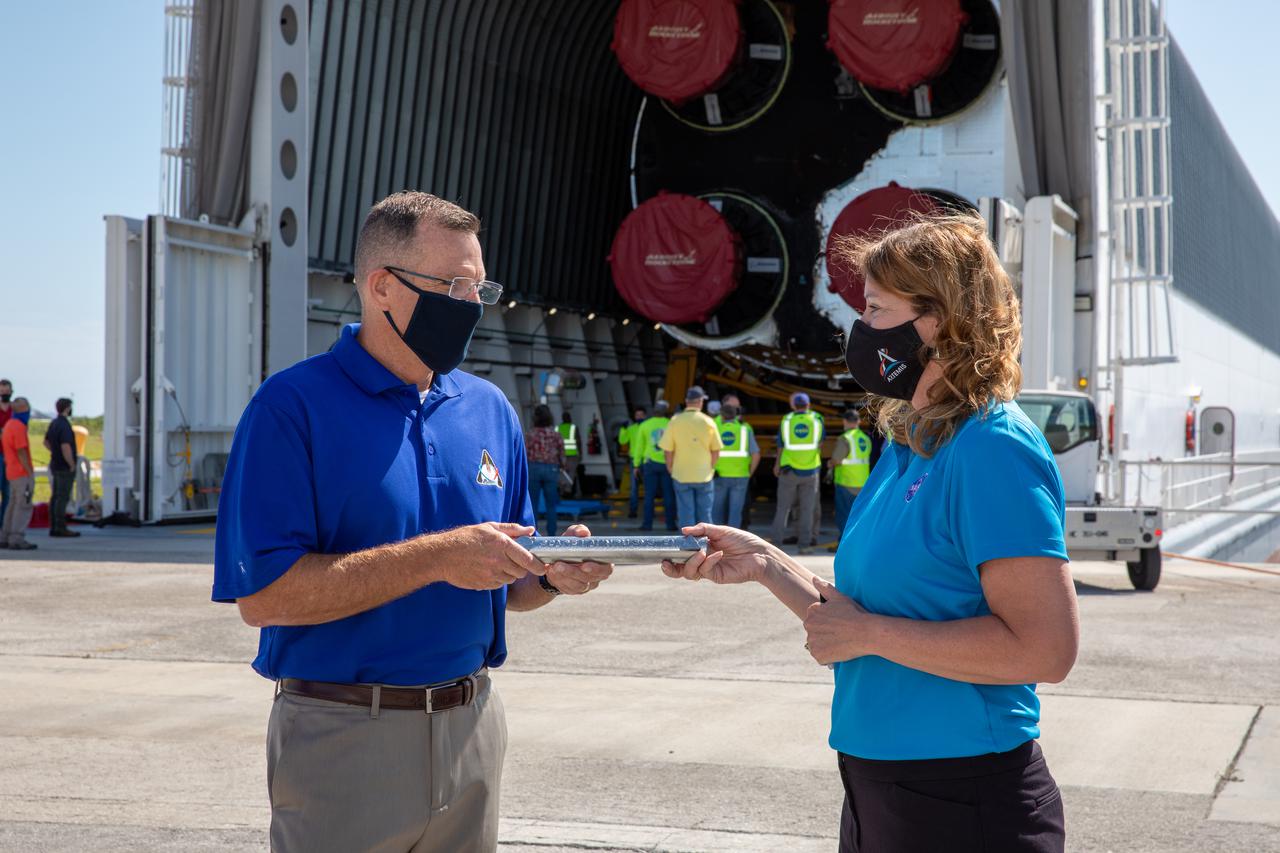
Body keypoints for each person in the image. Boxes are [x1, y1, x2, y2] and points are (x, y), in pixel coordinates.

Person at [212, 191, 615, 853]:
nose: (469, 302)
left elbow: (509, 583)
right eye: (450, 284)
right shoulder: (291, 408)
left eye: (477, 285)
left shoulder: (490, 411)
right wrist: (435, 558)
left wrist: (551, 577)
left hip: (471, 731)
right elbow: (264, 596)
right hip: (342, 736)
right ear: (382, 287)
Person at [663, 212, 1077, 853]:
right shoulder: (910, 442)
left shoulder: (992, 448)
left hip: (963, 795)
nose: (861, 329)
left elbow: (1044, 650)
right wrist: (767, 563)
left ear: (936, 322)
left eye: (877, 308)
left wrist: (871, 633)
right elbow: (855, 624)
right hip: (877, 783)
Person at [658, 386, 723, 529]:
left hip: (681, 474)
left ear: (687, 401)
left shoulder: (675, 421)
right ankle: (706, 544)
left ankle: (687, 547)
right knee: (705, 514)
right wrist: (710, 468)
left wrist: (670, 468)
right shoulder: (708, 422)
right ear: (700, 401)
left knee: (685, 512)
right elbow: (716, 451)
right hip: (704, 475)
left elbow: (668, 450)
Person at [769, 392, 824, 553]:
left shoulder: (787, 420)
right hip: (811, 470)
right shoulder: (817, 420)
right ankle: (804, 545)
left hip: (789, 470)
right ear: (808, 405)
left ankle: (776, 543)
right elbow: (820, 443)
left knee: (783, 508)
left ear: (794, 405)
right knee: (807, 509)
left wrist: (777, 464)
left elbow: (781, 444)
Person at [711, 403, 760, 528]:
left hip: (719, 475)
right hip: (741, 475)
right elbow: (756, 454)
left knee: (716, 510)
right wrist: (749, 472)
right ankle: (733, 542)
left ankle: (715, 540)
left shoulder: (715, 429)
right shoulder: (745, 429)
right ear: (736, 415)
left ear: (721, 416)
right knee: (736, 511)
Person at [827, 408, 870, 541]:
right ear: (859, 421)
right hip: (862, 482)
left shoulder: (845, 438)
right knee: (859, 514)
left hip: (846, 482)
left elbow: (837, 459)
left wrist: (830, 463)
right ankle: (858, 541)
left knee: (844, 515)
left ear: (844, 421)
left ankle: (844, 543)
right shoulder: (865, 438)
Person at [633, 400, 675, 531]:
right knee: (668, 495)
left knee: (649, 495)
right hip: (667, 464)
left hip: (650, 464)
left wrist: (636, 465)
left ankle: (647, 524)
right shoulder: (671, 425)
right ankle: (671, 525)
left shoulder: (645, 425)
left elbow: (639, 447)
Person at [525, 404, 566, 536]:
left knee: (533, 505)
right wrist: (562, 465)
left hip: (534, 468)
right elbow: (561, 453)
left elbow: (524, 452)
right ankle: (552, 534)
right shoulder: (555, 434)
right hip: (551, 469)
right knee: (551, 504)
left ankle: (533, 534)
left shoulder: (530, 434)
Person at [1, 397, 36, 550]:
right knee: (23, 505)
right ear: (23, 409)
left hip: (11, 471)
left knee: (12, 505)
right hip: (21, 473)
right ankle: (17, 537)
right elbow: (21, 450)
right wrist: (29, 471)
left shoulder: (8, 425)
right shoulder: (19, 427)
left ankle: (5, 535)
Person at [44, 398, 80, 538]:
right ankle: (60, 526)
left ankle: (53, 525)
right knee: (62, 497)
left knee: (55, 496)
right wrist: (71, 463)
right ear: (67, 408)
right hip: (64, 466)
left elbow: (46, 442)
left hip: (55, 464)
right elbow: (66, 446)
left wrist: (55, 452)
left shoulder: (54, 423)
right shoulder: (64, 425)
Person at [624, 406, 647, 518]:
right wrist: (623, 429)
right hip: (634, 460)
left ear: (645, 416)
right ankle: (633, 511)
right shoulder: (631, 428)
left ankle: (648, 513)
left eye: (641, 415)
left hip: (646, 460)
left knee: (649, 488)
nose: (639, 417)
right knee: (634, 488)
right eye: (637, 415)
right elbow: (622, 440)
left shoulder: (647, 427)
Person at [558, 410, 580, 497]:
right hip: (572, 454)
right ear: (570, 418)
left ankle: (562, 489)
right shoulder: (573, 427)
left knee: (562, 473)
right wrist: (580, 452)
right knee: (571, 473)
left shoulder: (558, 428)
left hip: (561, 455)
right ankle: (568, 490)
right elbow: (578, 440)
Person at [0, 379, 12, 526]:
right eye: (2, 392)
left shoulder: (13, 410)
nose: (4, 394)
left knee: (8, 491)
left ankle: (5, 522)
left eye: (6, 392)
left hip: (10, 455)